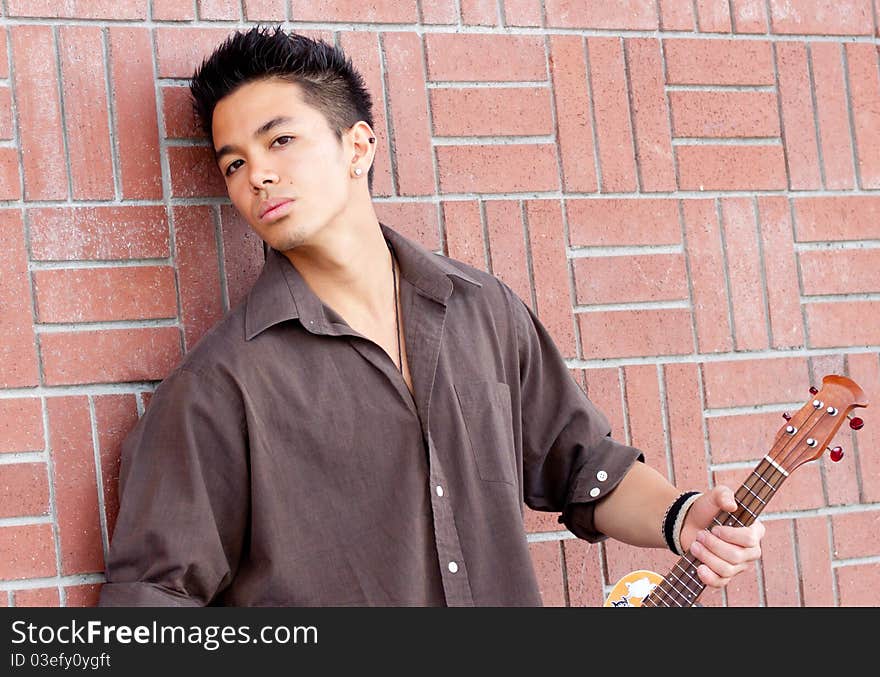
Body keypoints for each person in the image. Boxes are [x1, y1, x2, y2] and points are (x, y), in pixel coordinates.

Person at [97, 25, 764, 607]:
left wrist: (683, 516)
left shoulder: (481, 310)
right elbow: (150, 599)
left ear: (358, 146)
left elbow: (584, 465)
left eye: (281, 141)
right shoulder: (219, 387)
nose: (257, 177)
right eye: (235, 162)